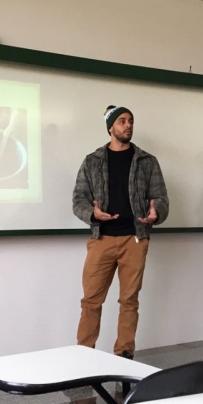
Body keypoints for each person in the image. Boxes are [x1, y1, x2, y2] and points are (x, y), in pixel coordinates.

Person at [72, 105, 169, 359]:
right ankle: (84, 354)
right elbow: (78, 199)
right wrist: (93, 214)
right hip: (101, 239)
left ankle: (124, 354)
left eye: (130, 121)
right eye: (122, 121)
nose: (128, 125)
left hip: (134, 239)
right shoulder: (92, 161)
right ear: (110, 127)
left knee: (129, 301)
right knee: (91, 300)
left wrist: (156, 212)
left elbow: (160, 198)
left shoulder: (147, 161)